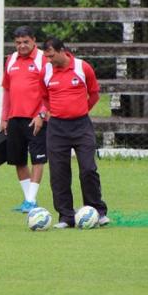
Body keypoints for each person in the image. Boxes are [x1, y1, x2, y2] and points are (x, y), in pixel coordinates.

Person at [41, 36, 110, 228]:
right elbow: (44, 97)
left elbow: (94, 94)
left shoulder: (82, 67)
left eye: (52, 55)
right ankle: (66, 216)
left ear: (63, 50)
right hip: (57, 128)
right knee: (59, 173)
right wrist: (54, 111)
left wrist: (80, 110)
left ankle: (97, 211)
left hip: (81, 126)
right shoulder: (46, 71)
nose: (49, 60)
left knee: (88, 169)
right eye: (46, 57)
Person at [0, 26, 48, 213]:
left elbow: (50, 90)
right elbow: (7, 90)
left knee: (37, 159)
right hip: (14, 118)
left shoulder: (43, 59)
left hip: (35, 118)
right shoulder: (11, 59)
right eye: (18, 43)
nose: (22, 46)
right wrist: (4, 117)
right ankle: (29, 201)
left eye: (26, 42)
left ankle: (31, 199)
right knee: (18, 160)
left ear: (34, 40)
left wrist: (42, 114)